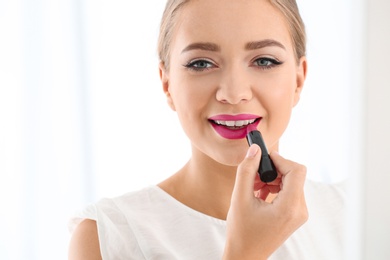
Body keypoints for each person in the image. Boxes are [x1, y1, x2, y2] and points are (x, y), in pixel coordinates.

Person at [68, 0, 345, 259]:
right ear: (167, 84)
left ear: (299, 80)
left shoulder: (355, 213)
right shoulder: (109, 239)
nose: (234, 93)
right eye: (201, 63)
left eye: (264, 61)